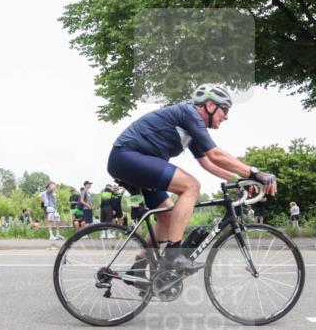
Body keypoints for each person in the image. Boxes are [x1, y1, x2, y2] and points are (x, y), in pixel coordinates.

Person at [107, 83, 277, 272]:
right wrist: (256, 173)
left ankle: (137, 267)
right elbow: (216, 155)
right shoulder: (190, 114)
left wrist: (238, 181)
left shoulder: (192, 125)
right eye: (225, 110)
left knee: (168, 218)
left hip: (134, 162)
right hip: (127, 157)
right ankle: (174, 256)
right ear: (210, 106)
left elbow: (207, 163)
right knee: (191, 186)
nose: (226, 117)